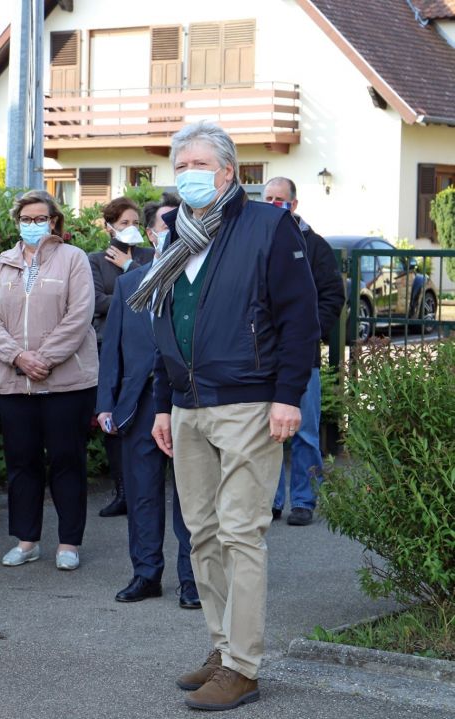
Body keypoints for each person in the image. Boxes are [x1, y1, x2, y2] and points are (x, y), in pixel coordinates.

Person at [128, 121, 318, 710]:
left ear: (229, 172)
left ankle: (243, 665)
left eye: (200, 163)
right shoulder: (173, 237)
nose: (188, 172)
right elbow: (166, 326)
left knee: (240, 532)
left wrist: (289, 395)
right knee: (203, 534)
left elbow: (301, 317)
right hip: (187, 405)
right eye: (180, 163)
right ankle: (221, 647)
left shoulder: (267, 225)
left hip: (249, 401)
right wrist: (162, 405)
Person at [0, 190, 100, 571]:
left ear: (54, 221)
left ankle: (68, 543)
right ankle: (27, 540)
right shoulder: (1, 264)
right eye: (25, 219)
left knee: (67, 461)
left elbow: (80, 316)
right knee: (22, 463)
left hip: (66, 383)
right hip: (14, 383)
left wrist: (43, 359)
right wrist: (18, 357)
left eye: (39, 218)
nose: (32, 225)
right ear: (17, 222)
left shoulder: (73, 259)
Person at [96, 195, 198, 608]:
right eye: (162, 227)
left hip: (188, 402)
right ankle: (145, 574)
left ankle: (192, 580)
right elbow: (113, 349)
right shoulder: (127, 283)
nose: (166, 234)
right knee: (141, 494)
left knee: (192, 495)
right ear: (152, 234)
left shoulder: (197, 282)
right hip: (137, 405)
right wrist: (106, 403)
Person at [262, 177, 344, 527]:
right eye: (267, 197)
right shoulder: (255, 240)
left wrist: (309, 333)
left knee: (305, 432)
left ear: (294, 204)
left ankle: (304, 500)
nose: (272, 203)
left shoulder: (316, 247)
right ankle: (271, 500)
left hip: (302, 358)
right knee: (266, 434)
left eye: (279, 198)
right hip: (262, 357)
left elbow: (332, 297)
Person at [89, 197, 156, 518]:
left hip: (145, 350)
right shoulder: (95, 260)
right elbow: (96, 301)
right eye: (124, 223)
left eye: (135, 223)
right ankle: (122, 491)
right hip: (108, 346)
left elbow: (159, 293)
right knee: (112, 419)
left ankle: (145, 488)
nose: (131, 229)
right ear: (109, 226)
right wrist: (130, 293)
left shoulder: (148, 257)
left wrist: (131, 272)